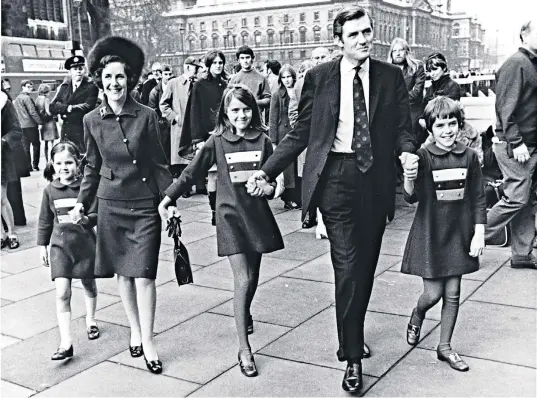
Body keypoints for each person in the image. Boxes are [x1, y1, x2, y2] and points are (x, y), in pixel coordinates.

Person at [247, 7, 418, 393]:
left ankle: (349, 333)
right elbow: (300, 131)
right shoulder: (320, 77)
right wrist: (268, 170)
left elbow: (403, 129)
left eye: (367, 32)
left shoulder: (390, 77)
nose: (364, 39)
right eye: (354, 34)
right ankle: (353, 358)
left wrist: (408, 152)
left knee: (365, 268)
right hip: (335, 180)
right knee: (347, 265)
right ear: (338, 40)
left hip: (375, 182)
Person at [159, 84, 284, 378]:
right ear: (226, 114)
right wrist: (168, 198)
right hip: (230, 219)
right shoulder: (217, 141)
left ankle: (245, 312)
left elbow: (277, 179)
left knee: (253, 277)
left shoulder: (263, 140)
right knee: (243, 279)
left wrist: (271, 189)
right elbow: (191, 173)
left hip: (258, 218)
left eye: (245, 109)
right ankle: (244, 349)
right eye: (234, 110)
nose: (241, 115)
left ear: (253, 110)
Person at [71, 36, 172, 374]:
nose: (115, 83)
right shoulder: (91, 120)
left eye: (121, 77)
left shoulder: (146, 115)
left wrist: (169, 200)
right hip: (110, 205)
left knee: (144, 275)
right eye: (109, 77)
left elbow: (159, 163)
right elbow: (91, 166)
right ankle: (135, 330)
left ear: (130, 80)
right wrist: (81, 204)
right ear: (101, 80)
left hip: (144, 206)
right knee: (123, 276)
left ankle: (150, 341)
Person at [402, 96, 486, 372]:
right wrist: (409, 176)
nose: (448, 130)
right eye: (441, 125)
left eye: (452, 123)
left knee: (453, 293)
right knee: (433, 294)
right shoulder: (424, 157)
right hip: (431, 234)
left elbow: (478, 196)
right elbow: (410, 198)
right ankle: (418, 313)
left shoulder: (470, 156)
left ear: (459, 124)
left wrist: (479, 232)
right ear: (430, 128)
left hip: (458, 233)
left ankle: (445, 347)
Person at [38, 141, 112, 360]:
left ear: (78, 163)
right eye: (59, 163)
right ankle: (66, 342)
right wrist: (42, 245)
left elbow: (98, 214)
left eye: (69, 162)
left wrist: (86, 219)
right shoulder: (50, 190)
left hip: (85, 245)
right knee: (62, 292)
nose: (64, 167)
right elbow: (44, 220)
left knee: (89, 283)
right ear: (52, 164)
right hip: (60, 247)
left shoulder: (85, 189)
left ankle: (91, 319)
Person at [485, 20, 537, 269]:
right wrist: (516, 142)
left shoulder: (530, 63)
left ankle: (522, 254)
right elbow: (505, 107)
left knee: (526, 199)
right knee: (517, 197)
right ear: (524, 36)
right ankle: (467, 238)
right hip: (516, 145)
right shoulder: (517, 63)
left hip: (527, 145)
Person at [180, 50, 229, 224]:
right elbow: (194, 112)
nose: (218, 65)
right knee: (213, 175)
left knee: (226, 175)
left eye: (220, 62)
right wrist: (197, 140)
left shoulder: (226, 84)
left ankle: (226, 209)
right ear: (208, 65)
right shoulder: (199, 84)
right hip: (207, 136)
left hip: (225, 134)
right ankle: (215, 211)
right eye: (214, 62)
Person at [160, 56, 202, 182]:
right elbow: (163, 104)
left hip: (196, 127)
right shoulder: (174, 83)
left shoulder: (198, 84)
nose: (197, 70)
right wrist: (174, 116)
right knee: (182, 158)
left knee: (197, 156)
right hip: (180, 127)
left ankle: (199, 185)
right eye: (196, 67)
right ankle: (185, 187)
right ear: (187, 67)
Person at [50, 55, 99, 153]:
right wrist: (68, 107)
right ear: (70, 71)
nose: (78, 71)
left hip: (82, 128)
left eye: (81, 68)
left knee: (82, 156)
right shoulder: (64, 88)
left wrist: (63, 108)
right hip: (66, 130)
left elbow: (88, 106)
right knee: (67, 154)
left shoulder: (91, 87)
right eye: (75, 69)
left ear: (84, 70)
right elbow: (52, 107)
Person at [269, 64, 300, 209]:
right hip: (283, 133)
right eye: (284, 77)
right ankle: (288, 198)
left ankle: (298, 196)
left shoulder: (299, 91)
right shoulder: (277, 94)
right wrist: (273, 141)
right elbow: (272, 119)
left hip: (298, 132)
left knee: (297, 168)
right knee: (287, 168)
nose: (287, 80)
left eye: (289, 77)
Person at [388, 38, 425, 141]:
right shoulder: (386, 70)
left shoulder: (417, 67)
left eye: (401, 50)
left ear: (406, 52)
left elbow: (417, 92)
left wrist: (396, 100)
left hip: (411, 112)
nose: (398, 53)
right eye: (394, 51)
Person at [1, 90, 22, 249]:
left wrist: (3, 140)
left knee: (1, 198)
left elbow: (16, 130)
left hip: (1, 157)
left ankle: (12, 234)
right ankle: (1, 235)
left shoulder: (3, 102)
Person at [229, 46, 271, 116]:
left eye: (247, 57)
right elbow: (229, 100)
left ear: (252, 58)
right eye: (242, 58)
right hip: (239, 117)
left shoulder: (261, 78)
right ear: (238, 60)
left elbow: (268, 100)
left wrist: (252, 102)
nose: (245, 61)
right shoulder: (234, 79)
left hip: (256, 116)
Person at [13, 80, 42, 171]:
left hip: (21, 126)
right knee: (36, 145)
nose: (30, 88)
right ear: (23, 87)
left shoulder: (17, 98)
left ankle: (28, 167)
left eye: (31, 87)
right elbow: (33, 112)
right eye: (28, 87)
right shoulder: (27, 98)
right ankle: (35, 165)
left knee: (26, 147)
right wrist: (39, 122)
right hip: (31, 126)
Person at [148, 64, 174, 162]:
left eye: (170, 74)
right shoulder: (155, 92)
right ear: (161, 75)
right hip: (162, 124)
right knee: (165, 147)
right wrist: (161, 122)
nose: (168, 77)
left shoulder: (175, 86)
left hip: (174, 121)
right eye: (165, 74)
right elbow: (152, 110)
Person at [35, 84, 60, 162]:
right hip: (49, 123)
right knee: (51, 143)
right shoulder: (46, 99)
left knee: (45, 143)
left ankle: (47, 160)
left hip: (43, 122)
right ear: (46, 91)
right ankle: (51, 160)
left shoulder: (37, 99)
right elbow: (48, 112)